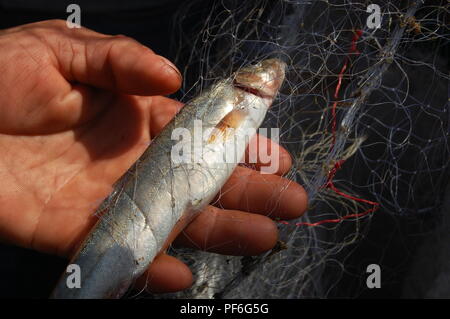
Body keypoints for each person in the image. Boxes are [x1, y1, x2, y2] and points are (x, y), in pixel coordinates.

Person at [0, 19, 308, 294]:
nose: (272, 70)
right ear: (246, 79)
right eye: (261, 68)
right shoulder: (235, 95)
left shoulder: (241, 99)